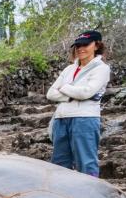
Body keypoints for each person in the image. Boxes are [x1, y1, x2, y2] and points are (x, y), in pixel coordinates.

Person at [46, 30, 111, 177]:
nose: (81, 48)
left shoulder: (101, 68)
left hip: (85, 119)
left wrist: (64, 88)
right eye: (78, 45)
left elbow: (86, 92)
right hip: (61, 119)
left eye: (85, 44)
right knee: (59, 164)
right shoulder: (69, 69)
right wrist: (70, 96)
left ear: (96, 45)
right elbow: (50, 93)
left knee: (86, 163)